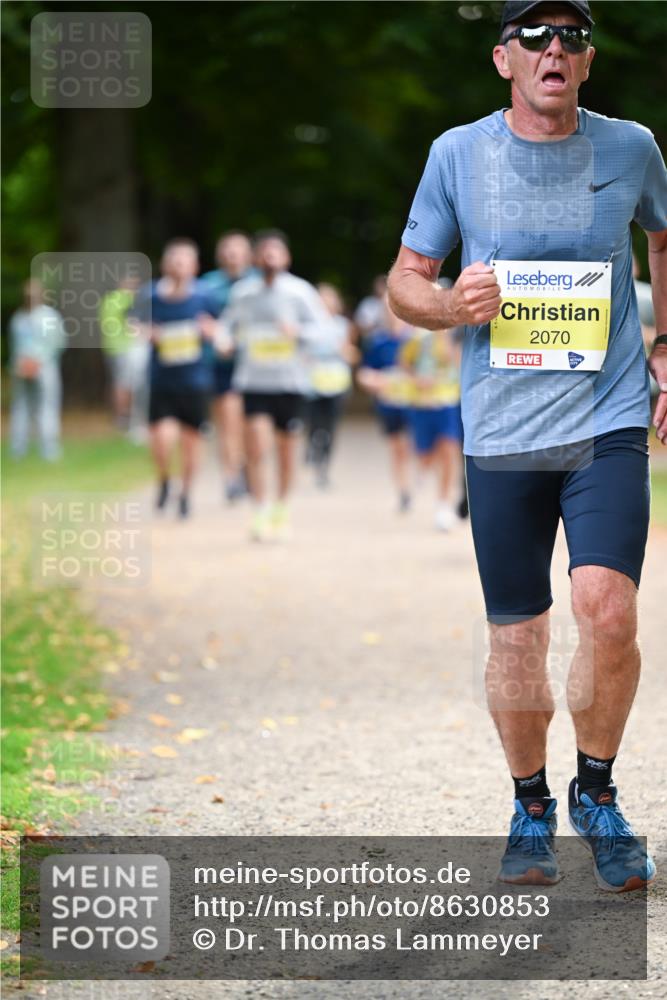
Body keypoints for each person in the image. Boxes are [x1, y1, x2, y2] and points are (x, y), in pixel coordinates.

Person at [388, 0, 667, 892]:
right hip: (503, 431)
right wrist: (447, 307)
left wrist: (664, 349)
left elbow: (663, 233)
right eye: (537, 37)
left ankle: (596, 790)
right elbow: (405, 283)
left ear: (586, 61)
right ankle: (529, 803)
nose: (557, 49)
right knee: (517, 639)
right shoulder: (457, 155)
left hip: (607, 418)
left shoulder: (632, 148)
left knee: (607, 609)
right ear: (502, 57)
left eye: (573, 37)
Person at [223, 230, 332, 541]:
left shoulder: (300, 292)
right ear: (255, 258)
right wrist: (224, 342)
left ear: (287, 258)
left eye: (276, 252)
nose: (270, 257)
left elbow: (326, 332)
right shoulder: (243, 293)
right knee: (256, 446)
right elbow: (226, 327)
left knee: (286, 452)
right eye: (265, 252)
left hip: (290, 384)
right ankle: (259, 509)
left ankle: (281, 509)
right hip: (253, 382)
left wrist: (297, 332)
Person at [133, 238, 219, 518]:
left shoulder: (205, 296)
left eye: (185, 259)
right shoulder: (150, 295)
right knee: (161, 439)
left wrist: (211, 331)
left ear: (195, 266)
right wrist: (147, 332)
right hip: (161, 379)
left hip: (195, 380)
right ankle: (164, 480)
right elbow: (132, 322)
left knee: (192, 440)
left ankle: (186, 493)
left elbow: (224, 328)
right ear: (165, 264)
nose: (179, 264)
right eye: (174, 259)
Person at [200, 231, 258, 501]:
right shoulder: (207, 285)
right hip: (220, 364)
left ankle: (247, 467)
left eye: (238, 249)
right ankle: (230, 477)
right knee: (227, 422)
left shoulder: (261, 282)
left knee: (252, 424)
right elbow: (198, 318)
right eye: (227, 249)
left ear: (249, 254)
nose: (232, 254)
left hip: (257, 365)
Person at [400, 327, 464, 531]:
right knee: (426, 455)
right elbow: (404, 363)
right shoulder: (419, 339)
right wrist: (416, 380)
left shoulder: (458, 337)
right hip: (423, 403)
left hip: (448, 403)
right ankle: (423, 472)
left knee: (448, 450)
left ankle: (443, 504)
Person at [357, 299, 415, 513]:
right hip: (390, 405)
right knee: (397, 449)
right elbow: (364, 373)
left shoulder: (416, 339)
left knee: (418, 448)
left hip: (416, 404)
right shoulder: (377, 342)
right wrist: (375, 381)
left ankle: (421, 487)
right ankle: (404, 491)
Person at [8, 278, 66, 461]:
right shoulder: (49, 316)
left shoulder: (18, 318)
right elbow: (59, 342)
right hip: (44, 368)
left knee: (21, 407)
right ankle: (49, 450)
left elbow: (14, 347)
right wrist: (39, 361)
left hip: (22, 367)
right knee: (46, 407)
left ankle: (18, 450)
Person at [305, 283, 354, 488]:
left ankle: (324, 466)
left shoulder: (343, 325)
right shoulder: (308, 326)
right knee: (313, 424)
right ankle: (312, 449)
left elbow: (350, 353)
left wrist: (345, 352)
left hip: (335, 381)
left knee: (330, 426)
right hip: (312, 382)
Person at [99, 272, 149, 442]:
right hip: (124, 347)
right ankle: (124, 417)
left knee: (118, 382)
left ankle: (122, 417)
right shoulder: (124, 299)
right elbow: (133, 319)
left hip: (113, 347)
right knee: (125, 383)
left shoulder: (109, 299)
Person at [353, 275, 388, 341]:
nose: (381, 287)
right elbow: (359, 323)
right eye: (380, 284)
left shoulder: (391, 303)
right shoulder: (367, 303)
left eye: (384, 284)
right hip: (371, 340)